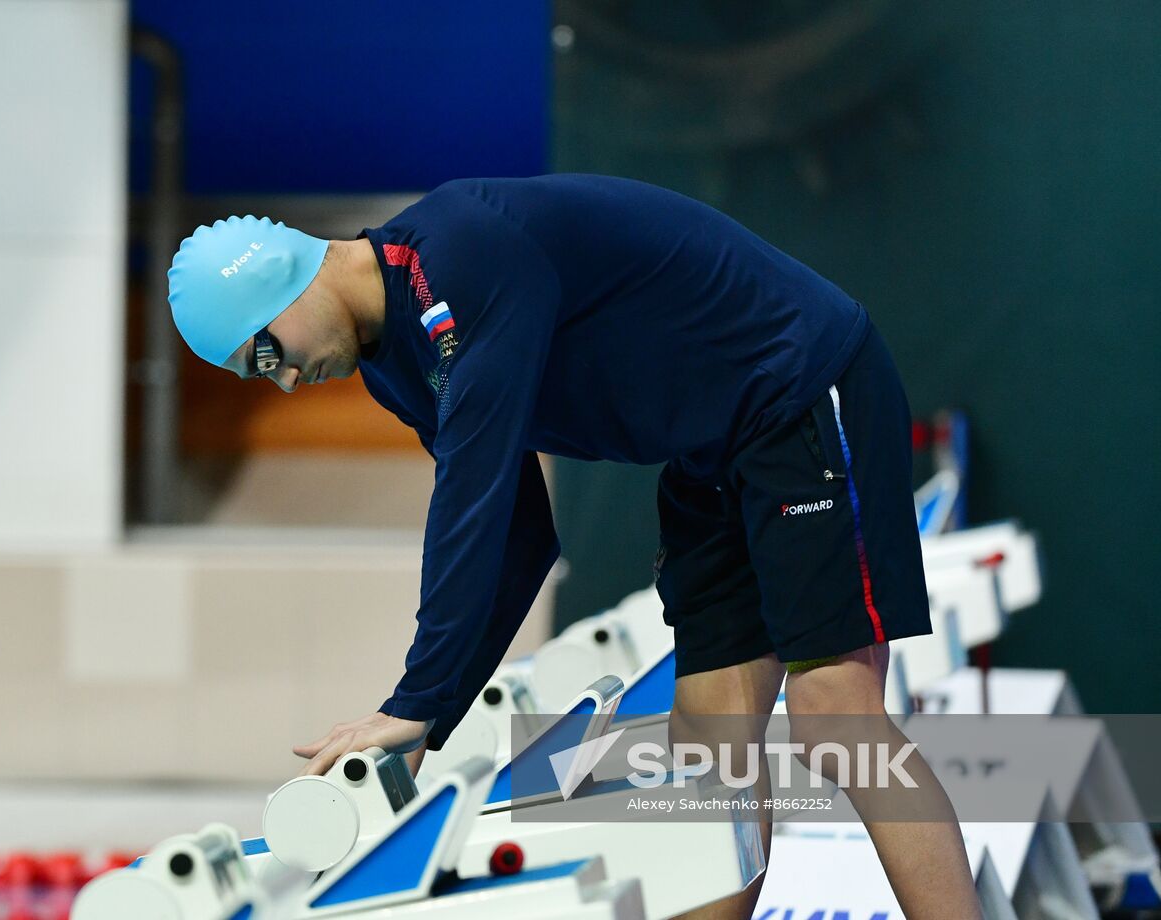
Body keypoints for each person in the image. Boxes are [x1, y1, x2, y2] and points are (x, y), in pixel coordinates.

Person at [167, 174, 982, 919]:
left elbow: (473, 501)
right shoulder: (395, 366)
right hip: (710, 451)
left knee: (835, 718)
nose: (281, 380)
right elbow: (521, 537)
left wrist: (413, 702)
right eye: (255, 376)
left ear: (284, 281)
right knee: (708, 751)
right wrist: (430, 722)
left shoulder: (460, 252)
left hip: (798, 387)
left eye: (266, 352)